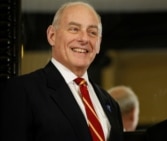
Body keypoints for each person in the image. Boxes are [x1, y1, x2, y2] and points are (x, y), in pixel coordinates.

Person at [0, 1, 124, 141]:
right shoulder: (22, 90)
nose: (84, 38)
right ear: (52, 35)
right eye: (74, 29)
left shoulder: (111, 104)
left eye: (92, 32)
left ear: (98, 44)